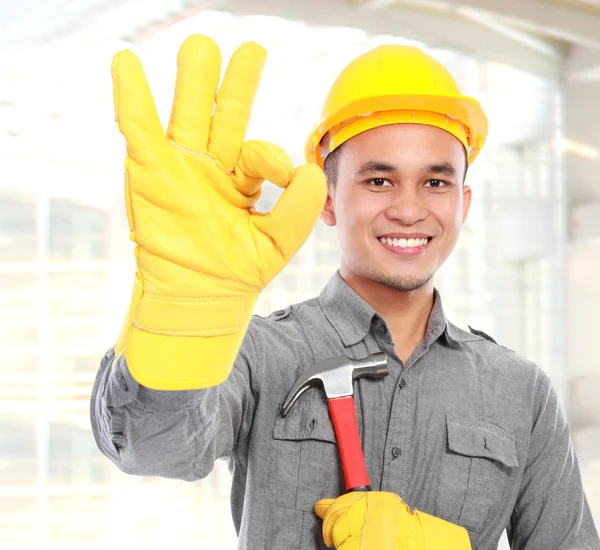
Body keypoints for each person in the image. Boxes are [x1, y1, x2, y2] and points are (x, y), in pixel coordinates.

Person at [90, 34, 599, 549]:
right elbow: (152, 449)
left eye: (436, 183)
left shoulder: (520, 392)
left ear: (463, 203)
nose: (408, 209)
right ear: (328, 199)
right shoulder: (257, 355)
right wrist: (183, 318)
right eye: (379, 181)